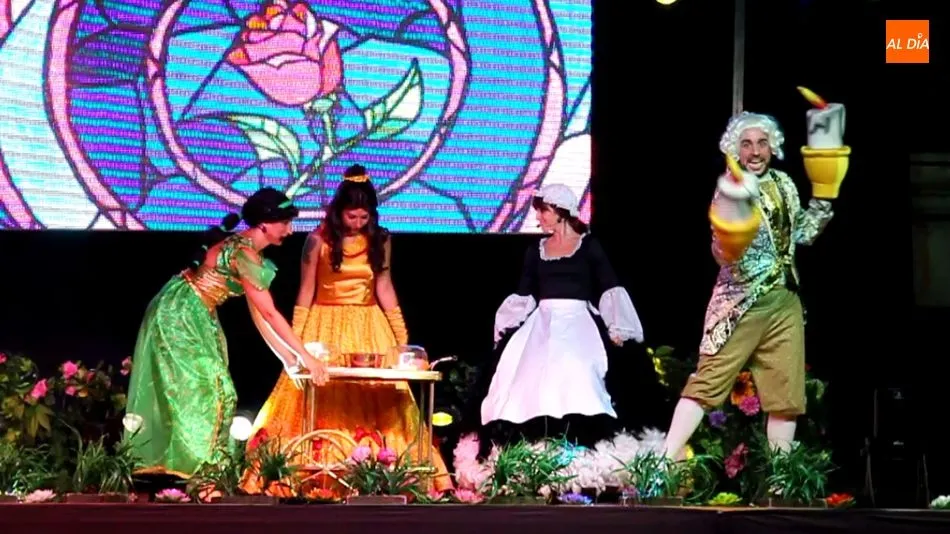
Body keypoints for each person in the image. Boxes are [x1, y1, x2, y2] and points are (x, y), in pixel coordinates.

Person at [249, 164, 451, 490]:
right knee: (322, 395)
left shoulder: (381, 240)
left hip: (370, 324)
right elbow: (305, 291)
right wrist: (298, 339)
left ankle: (384, 475)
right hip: (325, 323)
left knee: (382, 398)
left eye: (363, 217)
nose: (357, 223)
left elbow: (384, 286)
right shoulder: (317, 241)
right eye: (351, 217)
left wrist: (400, 335)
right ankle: (316, 474)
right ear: (337, 212)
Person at [661, 112, 834, 460]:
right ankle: (663, 461)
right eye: (746, 144)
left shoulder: (784, 183)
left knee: (786, 393)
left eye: (762, 143)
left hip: (785, 299)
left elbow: (803, 233)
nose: (755, 151)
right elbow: (722, 252)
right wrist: (731, 236)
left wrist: (825, 197)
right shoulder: (731, 189)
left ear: (772, 147)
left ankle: (782, 476)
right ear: (735, 150)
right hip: (742, 302)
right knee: (708, 382)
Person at [124, 187, 329, 478]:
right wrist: (306, 356)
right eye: (284, 223)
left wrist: (287, 357)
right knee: (214, 389)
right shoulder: (244, 253)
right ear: (264, 224)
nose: (290, 230)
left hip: (193, 312)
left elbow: (259, 314)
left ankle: (206, 471)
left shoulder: (245, 250)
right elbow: (271, 312)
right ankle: (203, 471)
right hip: (178, 314)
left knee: (216, 389)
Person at [478, 184, 644, 451]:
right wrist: (508, 328)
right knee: (526, 377)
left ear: (560, 211)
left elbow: (609, 286)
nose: (539, 217)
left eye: (543, 211)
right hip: (541, 324)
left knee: (579, 374)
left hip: (579, 323)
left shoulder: (588, 246)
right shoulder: (536, 250)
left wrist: (617, 327)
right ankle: (535, 445)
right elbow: (524, 293)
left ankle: (581, 441)